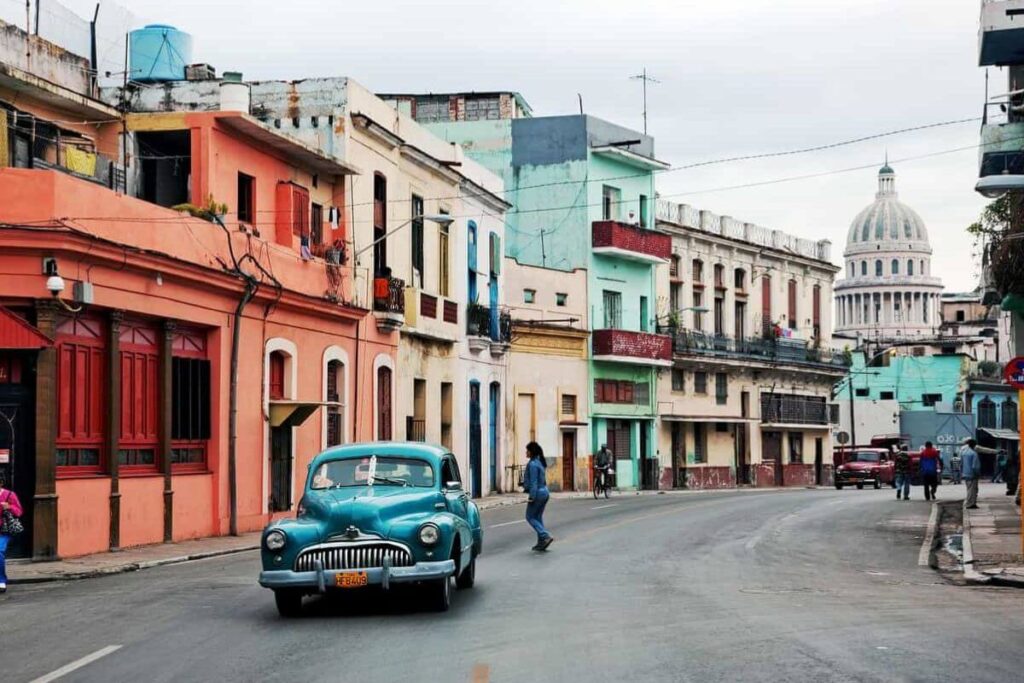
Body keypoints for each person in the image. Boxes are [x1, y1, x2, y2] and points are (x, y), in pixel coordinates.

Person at [523, 442, 553, 552]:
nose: (526, 452)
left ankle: (545, 536)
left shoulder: (532, 464)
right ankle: (541, 542)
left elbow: (534, 482)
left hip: (538, 493)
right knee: (538, 517)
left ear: (532, 452)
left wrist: (531, 497)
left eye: (527, 450)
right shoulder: (539, 462)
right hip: (544, 492)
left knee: (530, 517)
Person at [0, 474, 23, 594]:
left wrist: (9, 507)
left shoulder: (9, 495)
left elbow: (19, 512)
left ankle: (1, 580)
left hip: (3, 530)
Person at [961, 439, 984, 510]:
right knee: (973, 490)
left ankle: (971, 503)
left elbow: (961, 463)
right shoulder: (974, 454)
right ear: (974, 445)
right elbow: (975, 466)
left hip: (965, 473)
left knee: (969, 489)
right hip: (972, 474)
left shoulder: (963, 452)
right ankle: (970, 504)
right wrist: (978, 473)